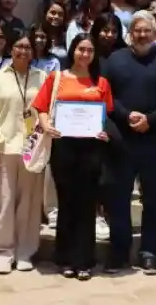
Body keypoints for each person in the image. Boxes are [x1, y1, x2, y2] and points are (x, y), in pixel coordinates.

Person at [33, 35, 118, 281]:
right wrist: (46, 126)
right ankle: (65, 258)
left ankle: (84, 261)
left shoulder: (101, 82)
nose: (85, 54)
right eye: (81, 49)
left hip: (91, 148)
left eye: (90, 50)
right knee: (66, 203)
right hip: (63, 147)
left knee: (86, 205)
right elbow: (40, 107)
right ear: (73, 51)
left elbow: (106, 114)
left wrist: (104, 131)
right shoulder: (57, 78)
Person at [103, 11, 156, 275]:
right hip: (121, 140)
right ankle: (119, 252)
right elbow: (106, 95)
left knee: (154, 198)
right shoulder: (115, 60)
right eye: (138, 30)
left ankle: (149, 252)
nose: (142, 35)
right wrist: (126, 116)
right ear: (130, 33)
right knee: (118, 199)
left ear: (155, 33)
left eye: (147, 30)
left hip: (154, 140)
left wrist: (151, 119)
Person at [0, 29, 48, 274]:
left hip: (32, 148)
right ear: (10, 49)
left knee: (29, 203)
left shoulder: (42, 77)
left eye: (27, 47)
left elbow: (47, 111)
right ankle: (3, 252)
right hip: (4, 147)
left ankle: (25, 252)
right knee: (3, 201)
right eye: (19, 46)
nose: (23, 51)